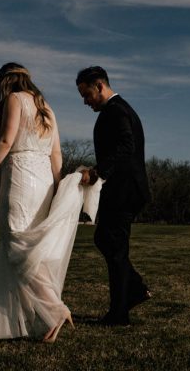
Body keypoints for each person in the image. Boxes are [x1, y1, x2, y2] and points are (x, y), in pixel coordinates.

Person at [0, 62, 83, 342]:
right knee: (31, 248)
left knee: (17, 244)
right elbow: (56, 154)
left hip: (21, 178)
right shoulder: (47, 107)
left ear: (4, 82)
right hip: (44, 181)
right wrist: (57, 188)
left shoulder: (14, 99)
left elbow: (6, 140)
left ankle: (55, 310)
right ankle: (30, 316)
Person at [76, 66, 151, 326]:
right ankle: (135, 289)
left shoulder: (117, 110)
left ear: (99, 86)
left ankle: (120, 313)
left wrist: (98, 172)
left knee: (114, 246)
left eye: (86, 95)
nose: (85, 101)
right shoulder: (120, 109)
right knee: (105, 240)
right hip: (123, 190)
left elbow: (126, 146)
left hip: (125, 191)